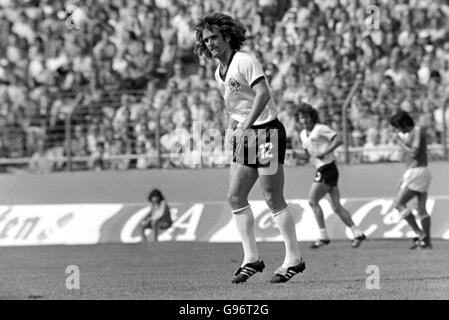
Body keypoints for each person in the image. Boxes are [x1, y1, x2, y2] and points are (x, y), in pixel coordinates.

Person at [193, 13, 305, 284]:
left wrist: (247, 126)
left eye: (214, 38)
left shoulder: (244, 61)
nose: (210, 43)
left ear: (227, 38)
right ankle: (251, 258)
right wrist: (233, 130)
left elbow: (263, 94)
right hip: (247, 135)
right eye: (206, 40)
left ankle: (294, 258)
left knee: (272, 197)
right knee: (235, 197)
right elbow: (237, 107)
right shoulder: (219, 72)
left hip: (266, 132)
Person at [295, 103, 367, 249]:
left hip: (327, 168)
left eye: (305, 116)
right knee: (336, 206)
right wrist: (295, 157)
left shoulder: (320, 128)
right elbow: (308, 155)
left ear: (311, 116)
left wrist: (325, 150)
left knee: (312, 201)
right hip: (323, 168)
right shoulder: (303, 134)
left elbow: (339, 139)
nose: (303, 120)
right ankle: (357, 232)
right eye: (301, 117)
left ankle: (323, 236)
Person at [389, 111, 432, 249]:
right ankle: (427, 243)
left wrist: (400, 143)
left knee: (399, 204)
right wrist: (405, 175)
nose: (398, 129)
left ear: (404, 123)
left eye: (398, 126)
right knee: (421, 209)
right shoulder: (413, 134)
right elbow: (412, 158)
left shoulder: (417, 131)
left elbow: (414, 152)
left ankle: (419, 233)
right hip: (418, 171)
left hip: (417, 172)